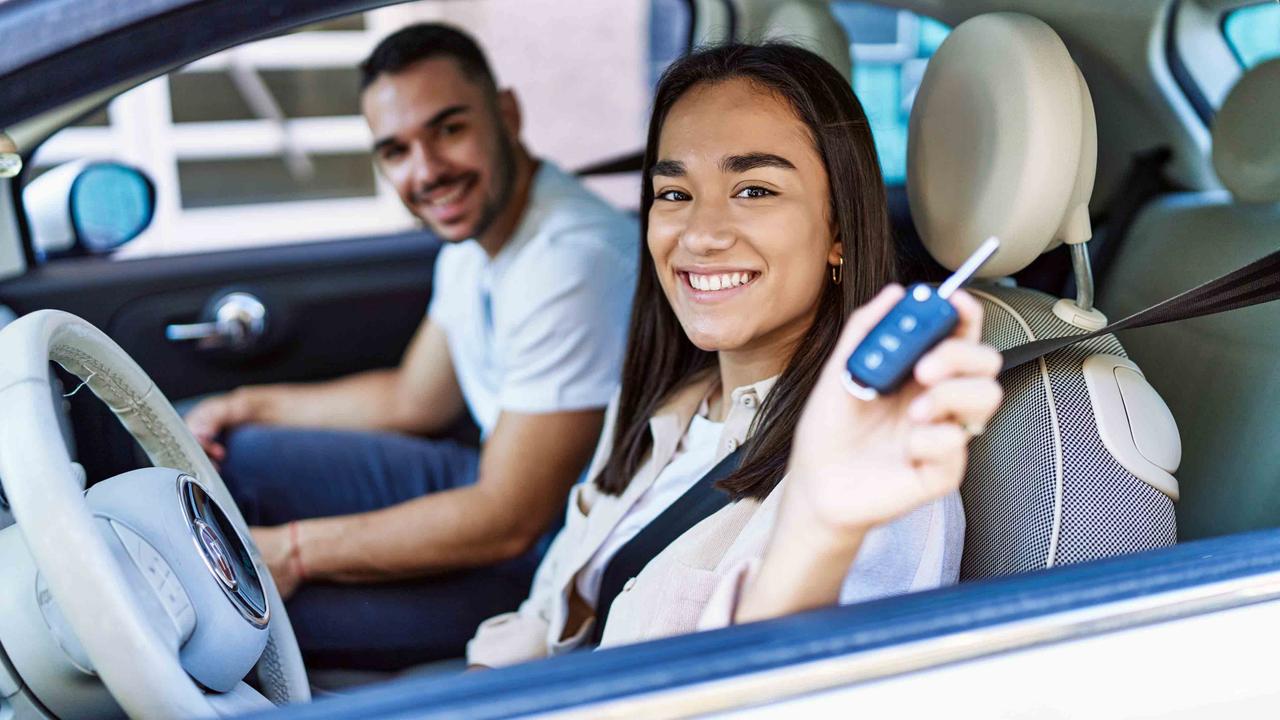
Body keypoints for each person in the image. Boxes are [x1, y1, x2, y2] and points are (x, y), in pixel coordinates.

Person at [465, 42, 1003, 667]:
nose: (700, 234)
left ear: (839, 231)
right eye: (673, 194)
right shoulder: (659, 403)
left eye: (753, 189)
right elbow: (548, 614)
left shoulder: (879, 464)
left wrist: (818, 529)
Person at [183, 24, 637, 670]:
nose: (426, 172)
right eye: (396, 151)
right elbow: (413, 398)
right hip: (492, 478)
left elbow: (509, 517)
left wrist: (294, 552)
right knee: (243, 456)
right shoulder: (477, 235)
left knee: (248, 615)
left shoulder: (569, 261)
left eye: (449, 130)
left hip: (554, 557)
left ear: (506, 114)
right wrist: (246, 403)